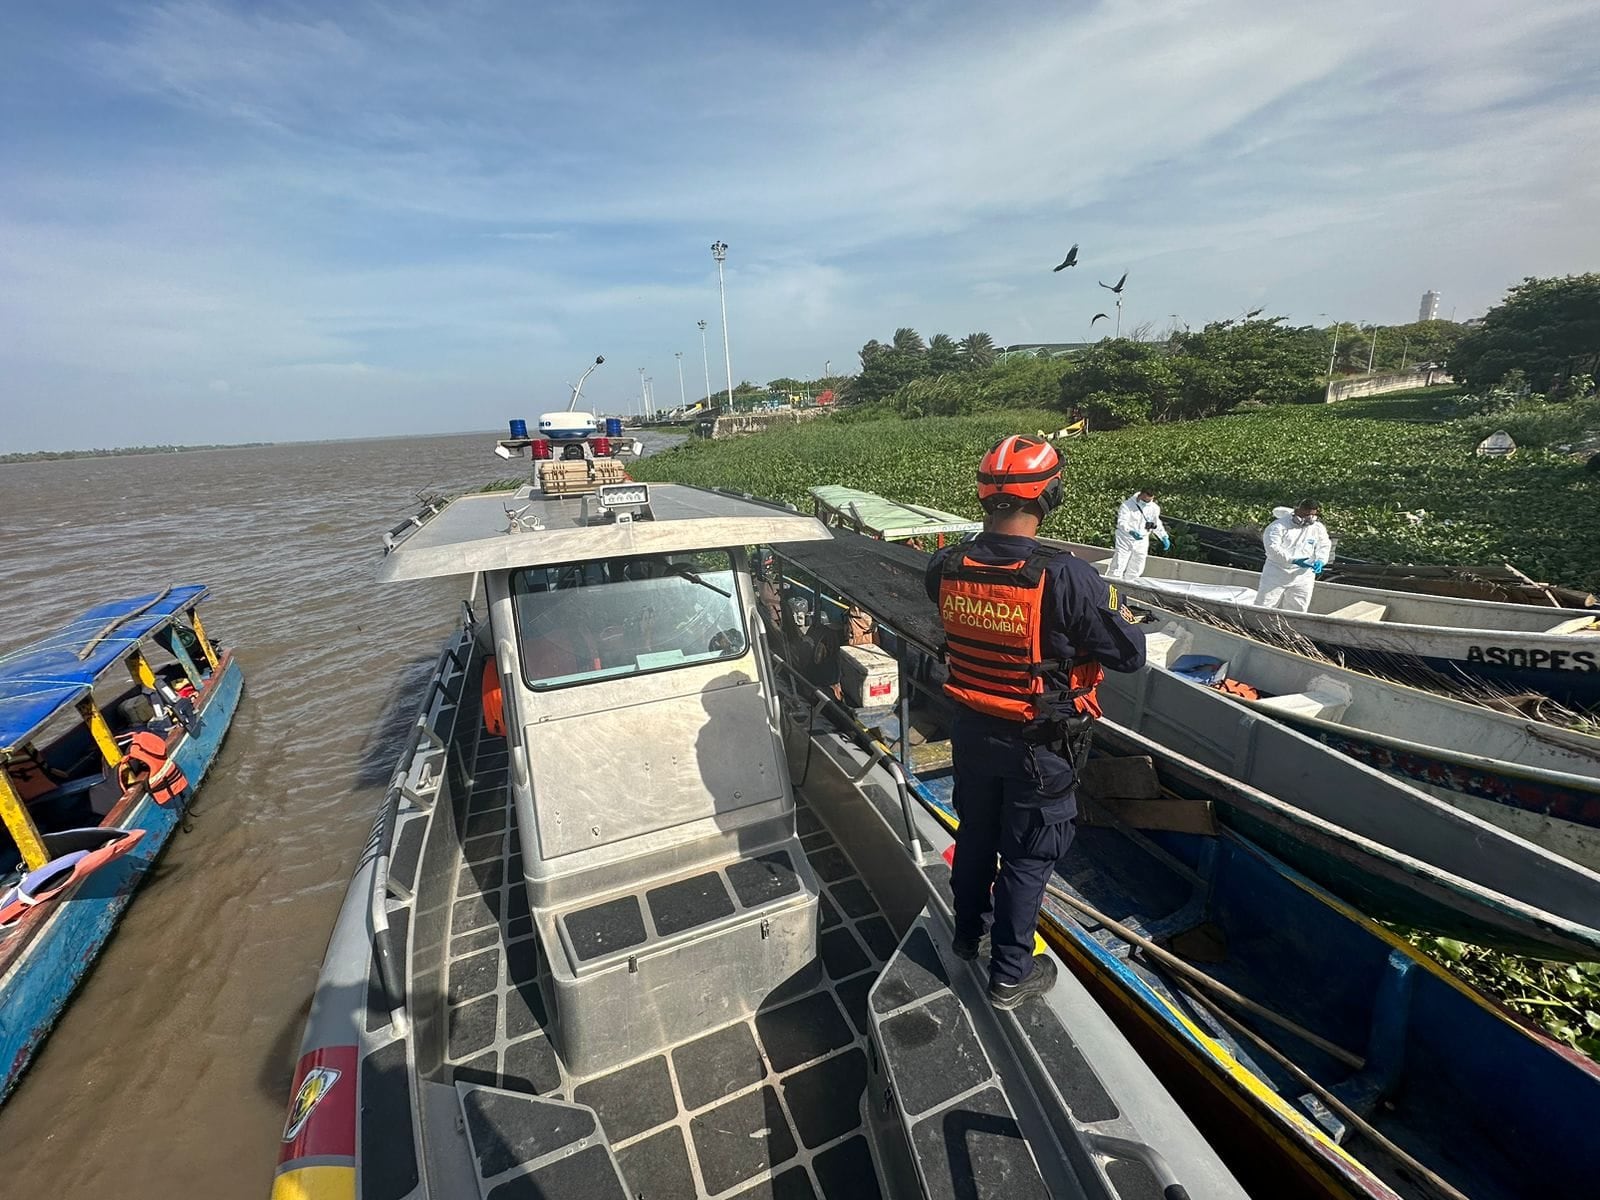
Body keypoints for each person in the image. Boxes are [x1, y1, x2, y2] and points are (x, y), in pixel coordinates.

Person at [925, 435, 1146, 1009]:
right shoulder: (1068, 575)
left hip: (972, 728)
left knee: (975, 832)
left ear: (983, 495)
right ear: (1051, 495)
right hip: (1040, 743)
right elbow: (1128, 653)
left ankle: (965, 935)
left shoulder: (946, 562)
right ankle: (1009, 976)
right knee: (1028, 854)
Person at [1255, 499, 1333, 612]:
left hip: (1303, 574)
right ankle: (1259, 627)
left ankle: (1290, 628)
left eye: (1312, 515)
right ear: (1297, 511)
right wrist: (1293, 560)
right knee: (1265, 604)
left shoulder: (1317, 528)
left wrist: (1321, 560)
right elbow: (1272, 549)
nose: (1309, 519)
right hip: (1277, 572)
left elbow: (1324, 545)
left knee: (1298, 607)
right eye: (1306, 515)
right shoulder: (1278, 526)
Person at [1107, 488, 1169, 580]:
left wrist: (1163, 536)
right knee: (1119, 564)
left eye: (1149, 500)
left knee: (1137, 565)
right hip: (1125, 538)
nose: (1146, 502)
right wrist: (1130, 531)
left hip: (1142, 540)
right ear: (1141, 495)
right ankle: (1111, 586)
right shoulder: (1127, 505)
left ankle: (1130, 586)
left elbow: (1156, 524)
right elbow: (1121, 522)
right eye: (1144, 500)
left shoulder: (1154, 508)